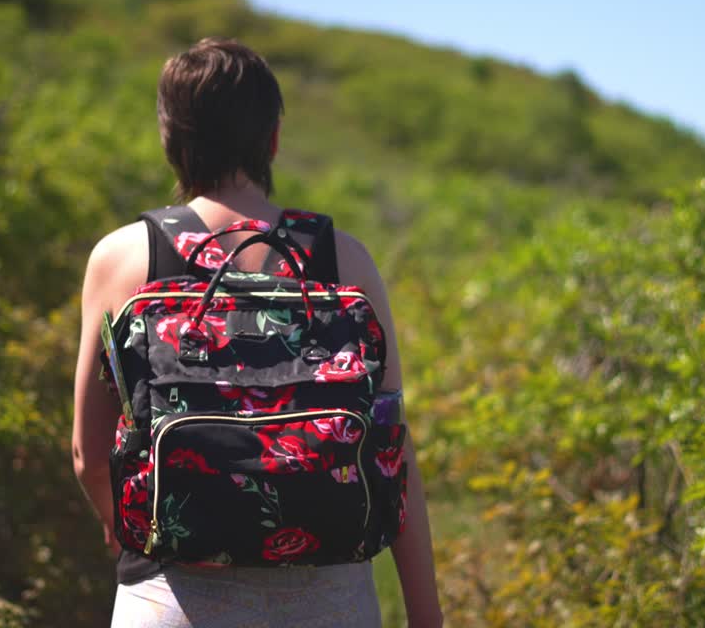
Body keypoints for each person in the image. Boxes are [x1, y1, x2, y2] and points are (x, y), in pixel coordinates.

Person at [72, 37, 442, 627]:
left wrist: (150, 536)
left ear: (171, 139)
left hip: (174, 598)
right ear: (272, 138)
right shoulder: (344, 261)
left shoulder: (124, 258)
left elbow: (87, 457)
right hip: (331, 600)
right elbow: (392, 448)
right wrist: (426, 615)